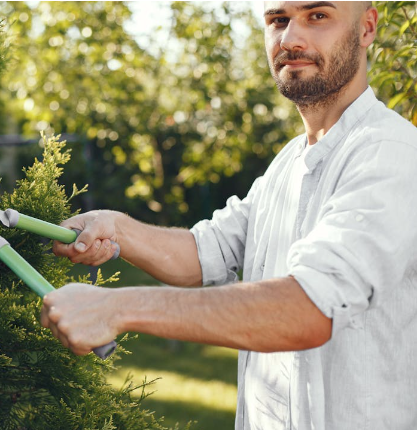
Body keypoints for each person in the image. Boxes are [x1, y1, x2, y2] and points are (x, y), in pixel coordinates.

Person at [41, 2, 417, 429]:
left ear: (366, 28)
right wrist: (114, 225)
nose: (291, 39)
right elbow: (208, 252)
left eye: (318, 16)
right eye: (278, 20)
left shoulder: (392, 155)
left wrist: (117, 307)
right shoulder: (290, 162)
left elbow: (309, 310)